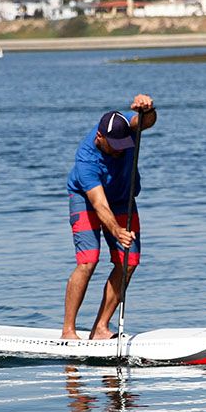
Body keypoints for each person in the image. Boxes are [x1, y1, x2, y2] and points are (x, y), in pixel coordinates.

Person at [62, 94, 157, 339]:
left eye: (123, 146)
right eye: (114, 147)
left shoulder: (123, 125)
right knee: (88, 260)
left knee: (129, 262)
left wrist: (148, 108)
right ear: (99, 138)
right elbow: (99, 204)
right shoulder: (86, 161)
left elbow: (146, 122)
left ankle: (100, 329)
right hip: (87, 200)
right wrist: (116, 231)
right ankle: (68, 331)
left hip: (123, 198)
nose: (119, 152)